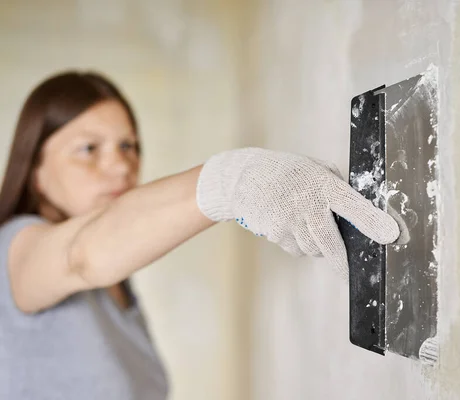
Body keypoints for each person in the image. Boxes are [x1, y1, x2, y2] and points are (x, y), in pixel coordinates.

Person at [0, 71, 406, 399]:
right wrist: (231, 181)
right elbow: (79, 255)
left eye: (129, 146)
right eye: (89, 149)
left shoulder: (118, 285)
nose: (121, 166)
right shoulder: (17, 249)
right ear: (34, 168)